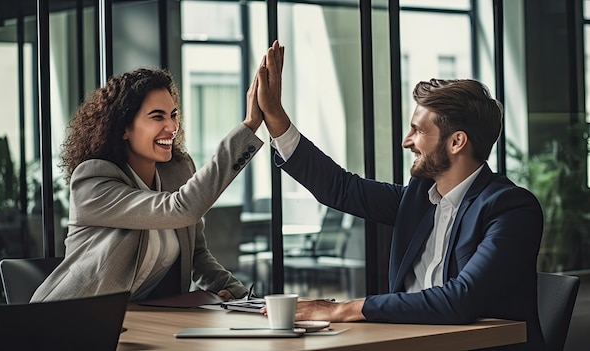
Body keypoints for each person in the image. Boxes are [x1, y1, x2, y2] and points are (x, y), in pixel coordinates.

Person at [256, 40, 544, 351]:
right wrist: (275, 117)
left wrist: (343, 309)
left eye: (418, 130)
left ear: (457, 142)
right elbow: (339, 188)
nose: (406, 142)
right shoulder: (418, 199)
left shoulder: (510, 209)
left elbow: (462, 299)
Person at [31, 66, 265, 302]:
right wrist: (250, 125)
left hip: (137, 317)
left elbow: (196, 254)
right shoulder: (92, 182)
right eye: (157, 116)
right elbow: (181, 209)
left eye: (173, 115)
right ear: (124, 127)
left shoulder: (178, 170)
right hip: (68, 318)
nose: (173, 127)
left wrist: (246, 298)